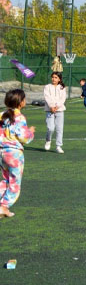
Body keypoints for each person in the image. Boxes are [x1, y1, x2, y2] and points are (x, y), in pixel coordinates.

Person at [1, 89, 35, 218]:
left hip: (1, 151)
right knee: (14, 181)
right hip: (14, 153)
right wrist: (30, 131)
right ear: (20, 102)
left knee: (7, 179)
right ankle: (4, 206)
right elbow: (24, 138)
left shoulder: (1, 115)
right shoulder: (19, 117)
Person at [43, 72, 67, 153]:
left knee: (59, 129)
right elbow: (47, 97)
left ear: (59, 79)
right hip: (50, 110)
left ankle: (58, 146)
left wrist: (57, 106)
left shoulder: (62, 88)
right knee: (50, 128)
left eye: (56, 77)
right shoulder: (47, 87)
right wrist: (51, 106)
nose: (54, 79)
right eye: (53, 77)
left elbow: (63, 99)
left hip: (59, 110)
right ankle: (48, 140)